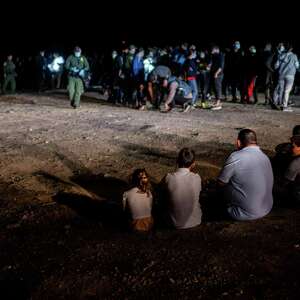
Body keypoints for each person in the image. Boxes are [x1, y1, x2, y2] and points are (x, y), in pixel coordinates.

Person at [218, 129, 274, 221]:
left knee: (224, 185)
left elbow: (221, 183)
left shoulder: (235, 157)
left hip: (244, 213)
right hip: (267, 207)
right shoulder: (265, 157)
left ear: (238, 142)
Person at [163, 148, 202, 229]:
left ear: (177, 161)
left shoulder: (168, 177)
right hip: (194, 222)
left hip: (172, 222)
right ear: (193, 164)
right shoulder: (197, 178)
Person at [273, 43, 299, 112]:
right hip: (290, 75)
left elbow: (276, 66)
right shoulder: (294, 56)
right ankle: (284, 106)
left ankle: (278, 103)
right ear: (291, 49)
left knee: (280, 90)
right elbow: (297, 66)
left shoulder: (281, 55)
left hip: (281, 75)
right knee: (286, 91)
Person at [209, 45, 225, 110]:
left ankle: (218, 102)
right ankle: (216, 102)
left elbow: (221, 66)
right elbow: (212, 63)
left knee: (218, 88)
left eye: (212, 50)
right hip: (213, 74)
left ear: (216, 49)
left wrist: (216, 73)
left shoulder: (221, 56)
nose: (211, 51)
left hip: (218, 74)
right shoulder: (214, 56)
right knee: (215, 88)